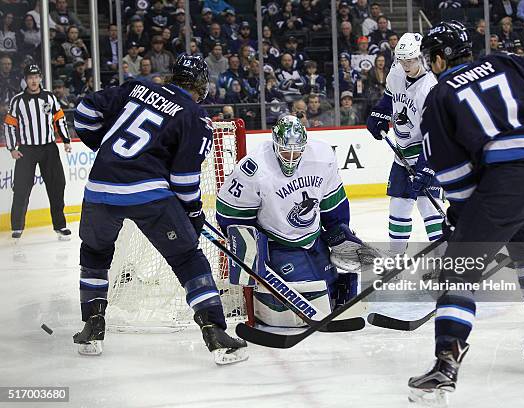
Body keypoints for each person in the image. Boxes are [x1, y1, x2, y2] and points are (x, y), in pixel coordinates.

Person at [409, 21, 524, 404]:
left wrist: (463, 215)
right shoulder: (508, 61)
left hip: (510, 182)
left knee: (458, 272)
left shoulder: (439, 95)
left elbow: (455, 177)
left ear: (439, 59)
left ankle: (446, 366)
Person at [71, 54, 247, 365]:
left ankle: (92, 326)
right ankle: (215, 332)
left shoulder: (136, 87)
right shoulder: (195, 117)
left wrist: (105, 147)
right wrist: (193, 214)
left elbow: (84, 111)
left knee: (95, 253)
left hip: (100, 188)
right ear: (202, 86)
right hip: (148, 195)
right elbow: (184, 180)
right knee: (187, 257)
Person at [216, 115, 369, 327]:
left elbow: (333, 200)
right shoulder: (254, 167)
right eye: (285, 150)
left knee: (330, 285)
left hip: (313, 238)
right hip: (278, 243)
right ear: (274, 143)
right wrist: (250, 246)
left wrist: (339, 232)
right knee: (307, 291)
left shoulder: (322, 156)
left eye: (297, 151)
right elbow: (230, 211)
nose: (291, 157)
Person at [366, 33, 443, 255]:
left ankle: (443, 260)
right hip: (401, 152)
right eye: (402, 60)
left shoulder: (430, 88)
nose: (406, 65)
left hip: (427, 149)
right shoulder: (397, 71)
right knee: (398, 206)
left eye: (410, 60)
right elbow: (389, 98)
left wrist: (426, 165)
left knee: (428, 206)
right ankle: (396, 255)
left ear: (421, 57)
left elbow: (435, 133)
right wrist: (379, 114)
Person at [3, 64, 72, 241]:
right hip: (27, 150)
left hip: (49, 147)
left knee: (57, 185)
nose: (33, 80)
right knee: (20, 188)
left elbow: (59, 118)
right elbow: (9, 124)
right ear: (25, 80)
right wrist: (12, 148)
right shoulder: (17, 101)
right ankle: (17, 227)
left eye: (36, 77)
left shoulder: (49, 97)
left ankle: (60, 225)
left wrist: (65, 140)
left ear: (40, 78)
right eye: (30, 77)